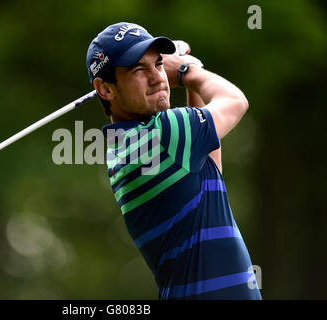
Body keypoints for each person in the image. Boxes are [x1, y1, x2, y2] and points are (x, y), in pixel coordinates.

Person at [86, 22, 262, 300]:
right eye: (138, 70)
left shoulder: (128, 146)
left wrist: (188, 80)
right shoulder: (161, 135)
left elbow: (207, 165)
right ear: (106, 89)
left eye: (157, 64)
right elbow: (235, 100)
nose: (157, 78)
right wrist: (187, 71)